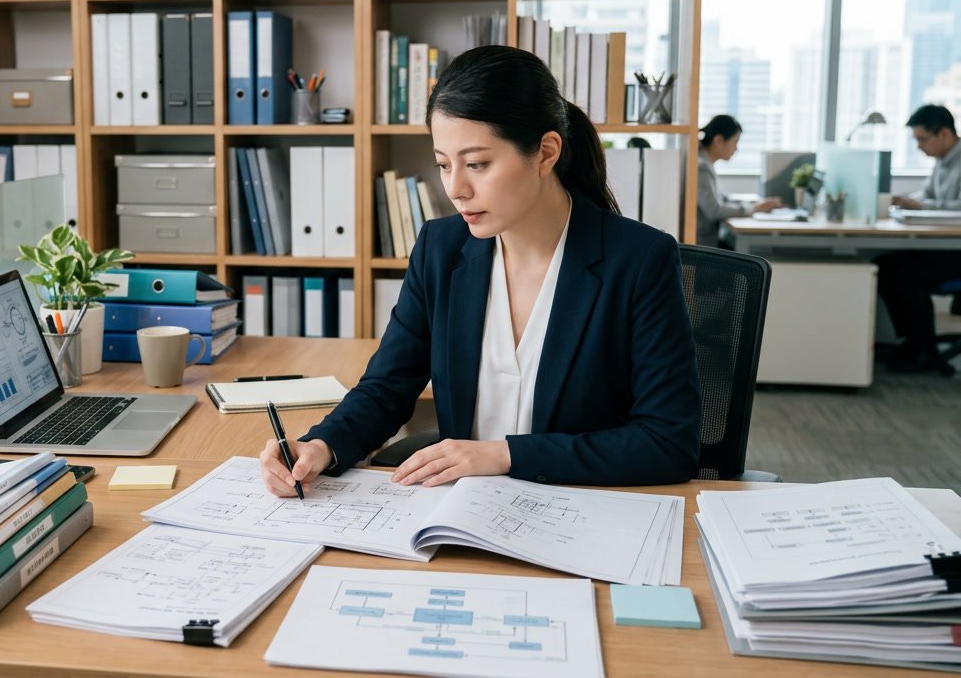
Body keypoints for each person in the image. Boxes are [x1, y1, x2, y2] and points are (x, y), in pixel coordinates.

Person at [259, 45, 702, 496]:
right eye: (443, 165)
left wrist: (503, 454)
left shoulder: (639, 259)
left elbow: (668, 441)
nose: (455, 188)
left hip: (581, 509)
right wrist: (321, 445)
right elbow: (387, 387)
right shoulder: (441, 249)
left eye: (477, 164)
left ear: (546, 153)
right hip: (460, 515)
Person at [877, 104, 961, 372]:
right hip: (947, 246)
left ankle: (923, 350)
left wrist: (922, 207)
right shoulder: (943, 162)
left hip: (957, 251)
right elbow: (927, 195)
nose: (919, 147)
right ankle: (912, 342)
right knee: (885, 266)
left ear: (945, 134)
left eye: (923, 139)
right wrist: (906, 201)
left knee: (906, 273)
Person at [695, 115, 781, 249]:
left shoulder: (705, 163)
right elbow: (714, 210)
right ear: (718, 140)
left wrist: (754, 205)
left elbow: (722, 198)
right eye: (735, 142)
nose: (736, 149)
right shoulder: (702, 168)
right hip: (704, 245)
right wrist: (754, 209)